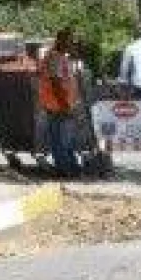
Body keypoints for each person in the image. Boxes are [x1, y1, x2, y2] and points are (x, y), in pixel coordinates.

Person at [38, 28, 83, 177]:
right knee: (62, 141)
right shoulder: (55, 57)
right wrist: (64, 104)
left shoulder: (60, 57)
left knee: (62, 140)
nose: (73, 45)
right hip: (58, 106)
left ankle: (68, 168)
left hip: (59, 104)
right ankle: (66, 170)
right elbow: (56, 82)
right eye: (71, 42)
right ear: (62, 41)